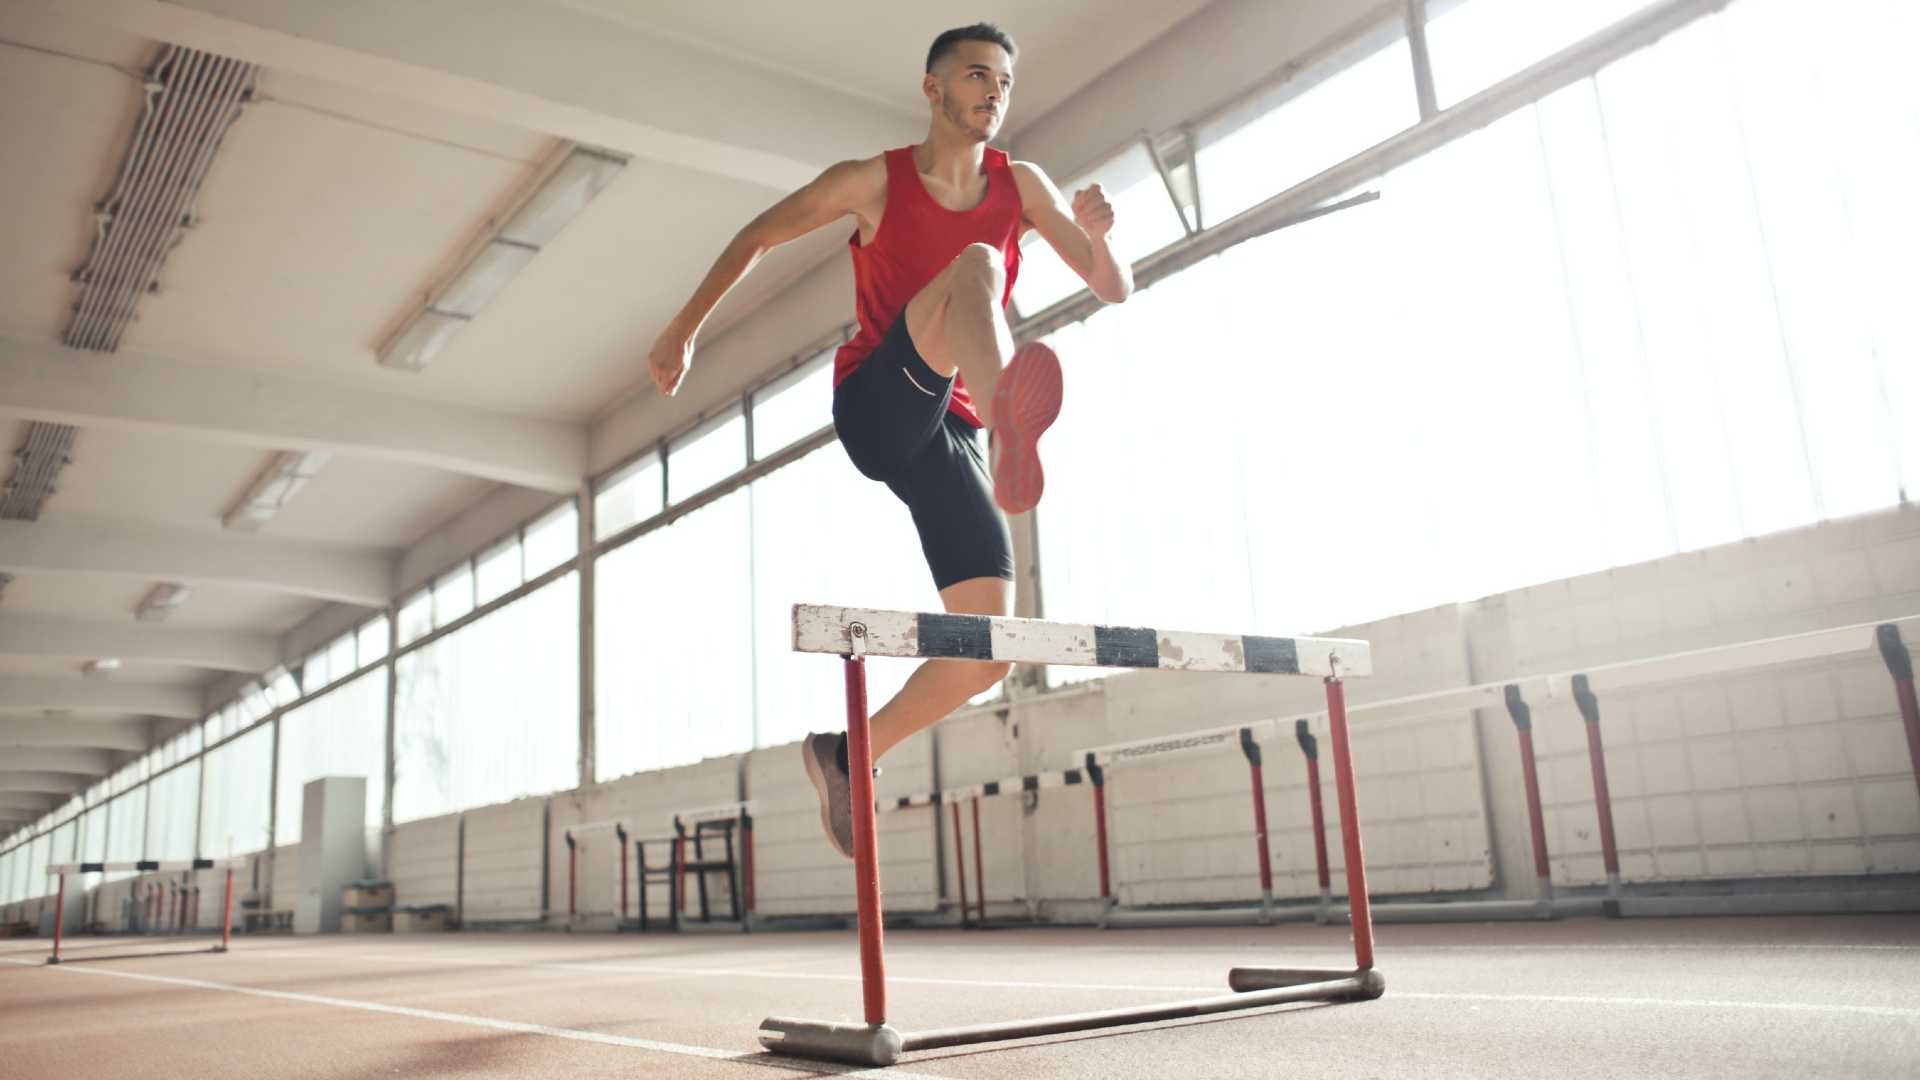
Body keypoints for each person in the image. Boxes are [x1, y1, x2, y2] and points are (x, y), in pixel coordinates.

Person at [646, 23, 1132, 857]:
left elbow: (1111, 286)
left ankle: (848, 754)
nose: (994, 93)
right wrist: (685, 327)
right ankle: (1009, 408)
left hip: (955, 437)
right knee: (977, 266)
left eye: (1006, 83)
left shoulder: (1024, 183)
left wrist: (1099, 231)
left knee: (988, 652)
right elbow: (760, 232)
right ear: (932, 88)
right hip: (880, 404)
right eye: (978, 76)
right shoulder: (875, 182)